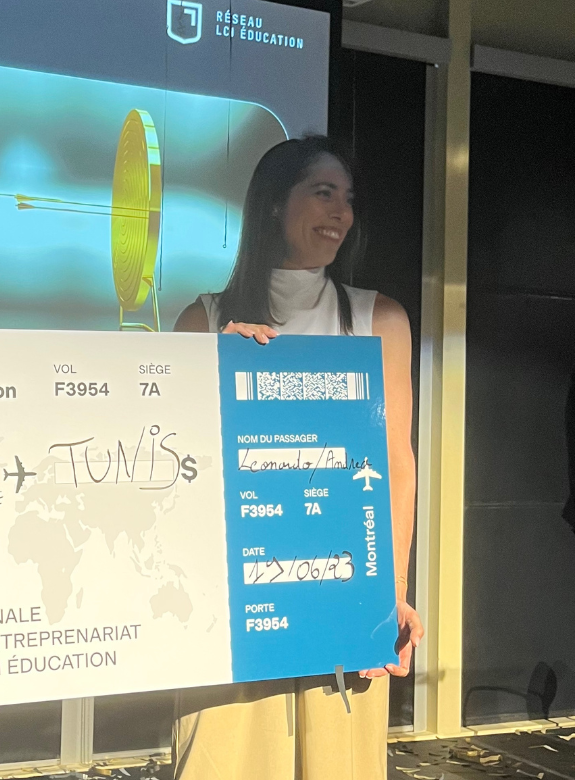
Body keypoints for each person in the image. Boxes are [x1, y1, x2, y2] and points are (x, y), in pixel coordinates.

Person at [172, 136, 423, 779]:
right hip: (231, 611)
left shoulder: (379, 319)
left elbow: (396, 463)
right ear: (270, 205)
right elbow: (176, 472)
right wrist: (213, 369)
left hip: (342, 605)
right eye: (322, 192)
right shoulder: (202, 324)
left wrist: (387, 595)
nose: (340, 212)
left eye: (347, 198)